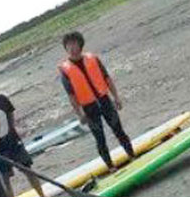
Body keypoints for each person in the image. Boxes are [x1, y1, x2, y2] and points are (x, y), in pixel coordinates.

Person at [58, 32, 136, 171]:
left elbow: (107, 78)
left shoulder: (93, 59)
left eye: (74, 43)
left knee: (118, 130)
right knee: (100, 138)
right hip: (88, 107)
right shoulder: (66, 70)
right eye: (68, 45)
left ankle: (131, 155)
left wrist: (116, 97)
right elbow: (71, 95)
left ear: (80, 45)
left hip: (104, 100)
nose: (72, 47)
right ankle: (110, 166)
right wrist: (79, 114)